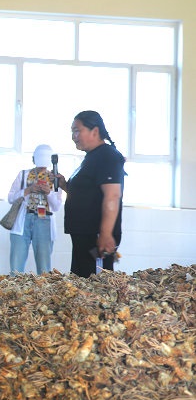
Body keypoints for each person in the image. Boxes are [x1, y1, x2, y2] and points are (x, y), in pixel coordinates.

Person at [57, 110, 125, 278]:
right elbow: (87, 195)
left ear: (94, 131)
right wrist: (64, 185)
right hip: (84, 236)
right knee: (81, 282)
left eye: (77, 130)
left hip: (96, 237)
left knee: (96, 285)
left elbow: (112, 196)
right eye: (72, 131)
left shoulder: (107, 156)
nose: (73, 136)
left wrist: (105, 233)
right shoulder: (92, 157)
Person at [7, 144, 63, 274]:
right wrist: (28, 190)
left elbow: (56, 206)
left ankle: (42, 287)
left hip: (45, 220)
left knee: (44, 268)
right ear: (33, 159)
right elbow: (11, 198)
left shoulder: (55, 179)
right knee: (16, 266)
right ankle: (14, 286)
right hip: (23, 219)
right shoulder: (23, 175)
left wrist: (48, 193)